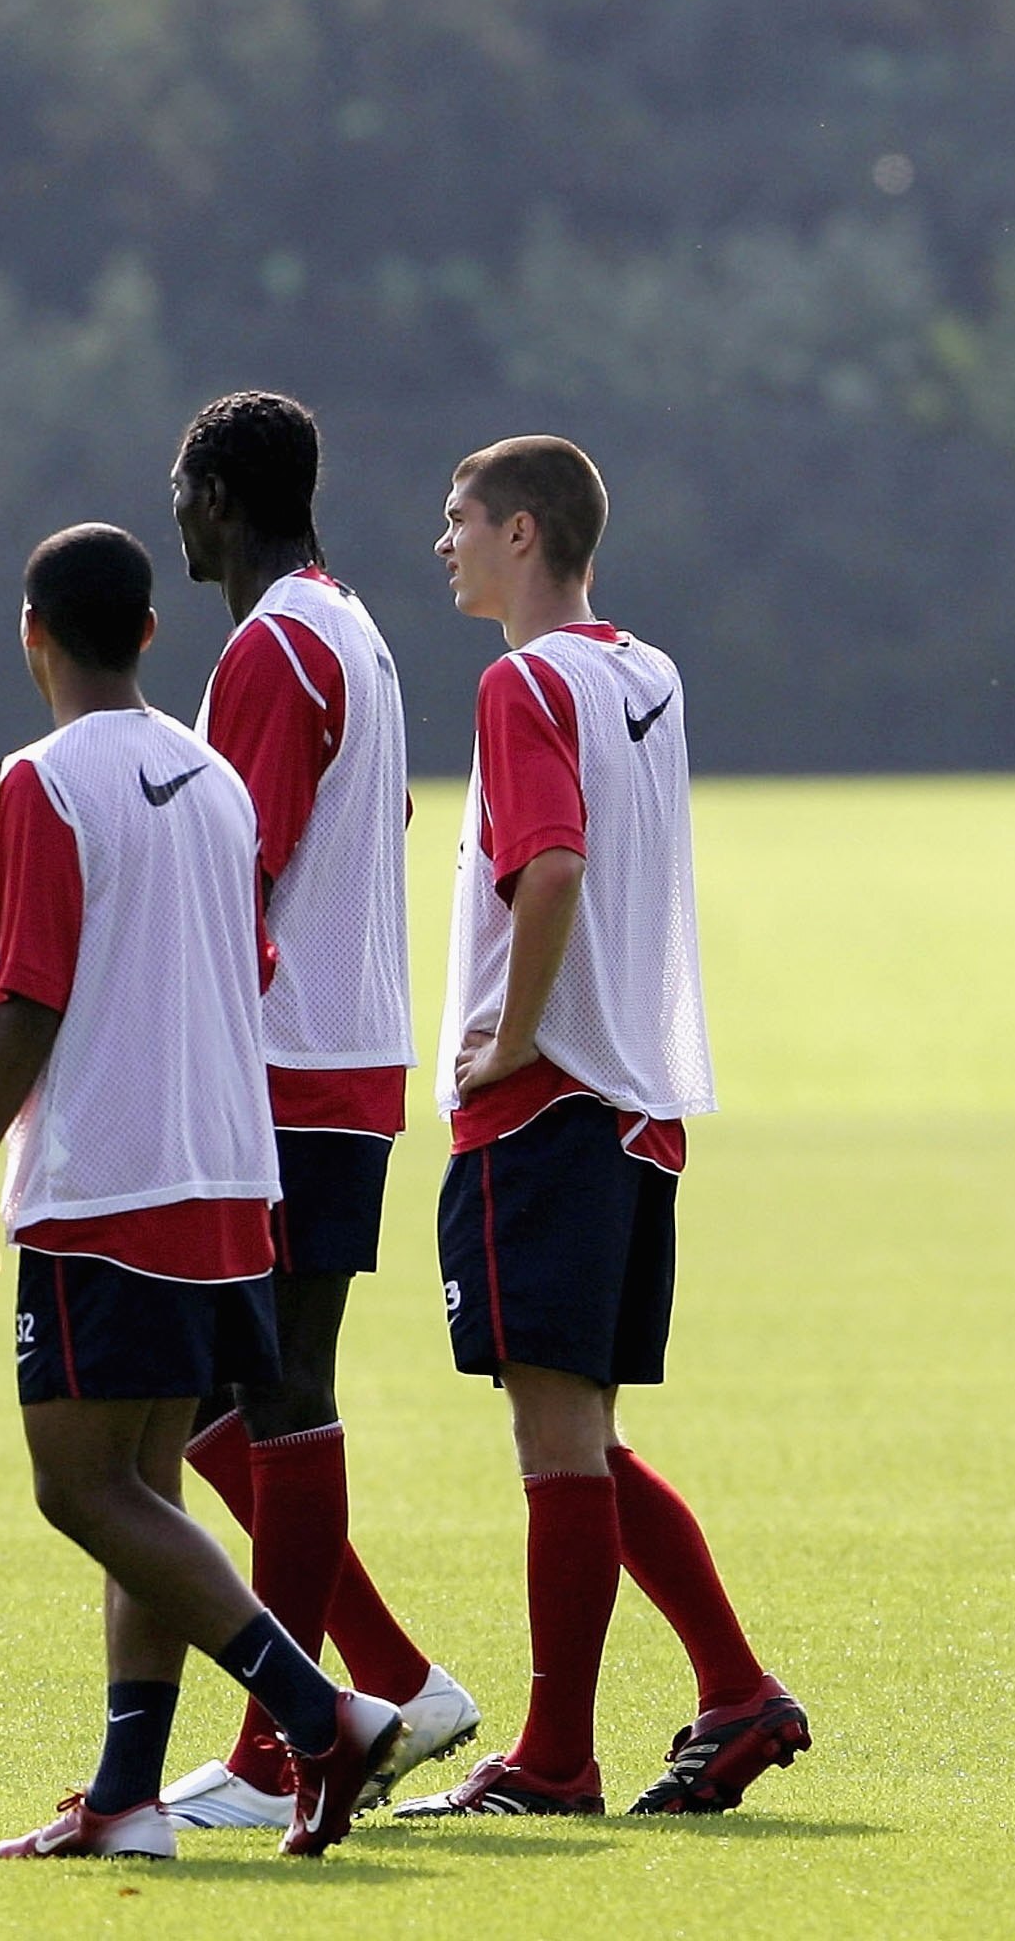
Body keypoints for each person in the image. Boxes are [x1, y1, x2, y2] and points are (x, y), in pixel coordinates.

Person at [0, 521, 408, 1861]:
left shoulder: (44, 781)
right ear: (151, 633)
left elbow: (26, 993)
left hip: (108, 1183)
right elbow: (253, 958)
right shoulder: (214, 782)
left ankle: (323, 1717)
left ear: (31, 637)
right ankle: (128, 1798)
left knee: (77, 1488)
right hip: (229, 1183)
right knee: (148, 1487)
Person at [391, 437, 808, 1819]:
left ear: (522, 532)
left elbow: (552, 865)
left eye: (457, 521)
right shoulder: (646, 671)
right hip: (637, 1106)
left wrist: (506, 1038)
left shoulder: (523, 682)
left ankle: (556, 1758)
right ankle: (734, 1690)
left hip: (551, 1101)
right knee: (584, 1438)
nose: (441, 544)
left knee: (555, 1447)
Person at [156, 391, 479, 1831]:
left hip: (282, 1069)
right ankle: (391, 1683)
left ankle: (282, 1745)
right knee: (237, 1396)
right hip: (344, 1060)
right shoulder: (348, 626)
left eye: (183, 484)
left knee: (269, 1394)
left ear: (220, 495)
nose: (173, 508)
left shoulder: (276, 647)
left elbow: (241, 868)